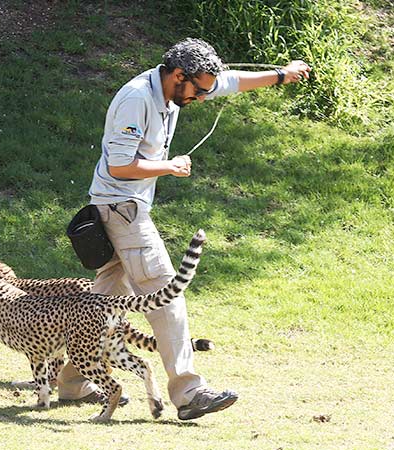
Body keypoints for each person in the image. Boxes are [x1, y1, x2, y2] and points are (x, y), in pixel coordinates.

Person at [59, 38, 311, 420]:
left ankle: (73, 383)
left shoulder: (183, 87)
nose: (203, 97)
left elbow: (230, 82)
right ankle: (189, 392)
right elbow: (119, 167)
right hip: (122, 210)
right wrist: (170, 166)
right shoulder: (136, 99)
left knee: (99, 308)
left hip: (120, 209)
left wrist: (280, 76)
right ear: (179, 76)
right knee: (166, 294)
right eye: (199, 90)